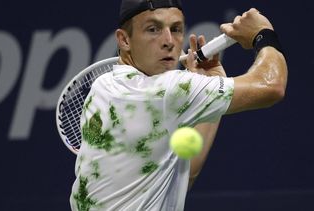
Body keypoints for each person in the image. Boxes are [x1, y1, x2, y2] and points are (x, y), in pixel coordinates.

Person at [69, 0, 288, 210]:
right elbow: (271, 86)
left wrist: (208, 94)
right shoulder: (167, 90)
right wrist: (263, 35)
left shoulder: (102, 87)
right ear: (124, 40)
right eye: (153, 29)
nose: (168, 41)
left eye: (175, 29)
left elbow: (184, 175)